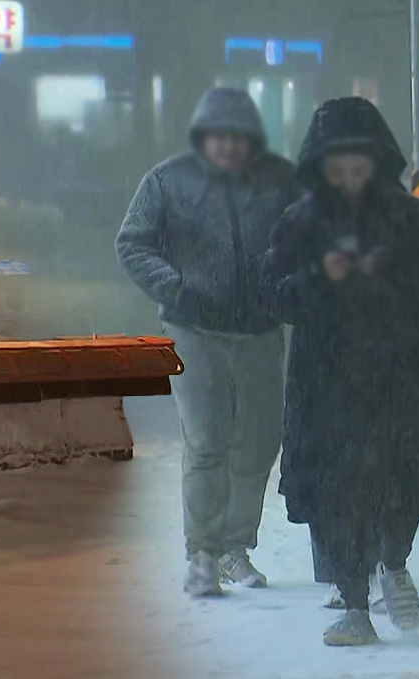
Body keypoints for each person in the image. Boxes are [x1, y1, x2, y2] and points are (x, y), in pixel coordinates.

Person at [260, 97, 419, 645]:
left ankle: (394, 565)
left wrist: (394, 283)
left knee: (401, 479)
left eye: (360, 169)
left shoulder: (412, 218)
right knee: (336, 494)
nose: (350, 181)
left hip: (400, 376)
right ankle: (355, 605)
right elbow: (274, 295)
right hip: (326, 386)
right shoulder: (299, 224)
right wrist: (318, 277)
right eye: (338, 170)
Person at [116, 87, 297, 598]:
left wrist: (291, 288)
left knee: (260, 441)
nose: (229, 147)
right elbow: (132, 243)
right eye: (220, 136)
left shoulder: (281, 182)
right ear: (203, 137)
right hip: (193, 330)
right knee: (207, 438)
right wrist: (174, 287)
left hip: (260, 330)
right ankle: (203, 552)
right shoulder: (168, 182)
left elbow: (308, 237)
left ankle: (236, 547)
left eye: (239, 137)